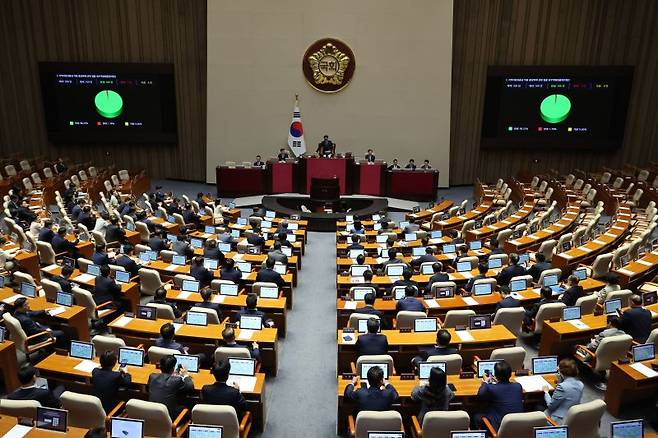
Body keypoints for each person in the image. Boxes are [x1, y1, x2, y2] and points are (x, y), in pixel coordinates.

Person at [474, 361, 523, 431]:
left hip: (499, 426)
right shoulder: (518, 386)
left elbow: (480, 395)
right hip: (518, 424)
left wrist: (485, 382)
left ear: (496, 375)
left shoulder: (491, 388)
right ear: (510, 374)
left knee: (476, 416)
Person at [148, 355, 194, 420]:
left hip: (151, 414)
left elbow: (148, 389)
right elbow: (190, 387)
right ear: (173, 368)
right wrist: (185, 375)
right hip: (169, 417)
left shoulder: (152, 376)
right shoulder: (176, 380)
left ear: (160, 366)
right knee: (188, 405)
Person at [543, 358, 584, 424]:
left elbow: (551, 406)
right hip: (572, 417)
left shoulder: (562, 387)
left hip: (558, 419)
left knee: (538, 407)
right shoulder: (581, 384)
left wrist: (546, 392)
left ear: (560, 372)